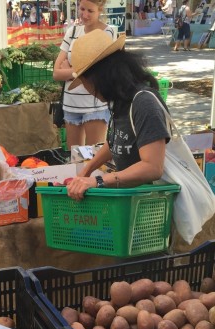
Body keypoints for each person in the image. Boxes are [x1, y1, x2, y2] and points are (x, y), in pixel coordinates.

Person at [64, 30, 169, 201]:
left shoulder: (143, 103)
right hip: (131, 201)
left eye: (84, 83)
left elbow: (153, 167)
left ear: (98, 77)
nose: (88, 91)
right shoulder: (121, 100)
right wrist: (87, 169)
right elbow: (116, 141)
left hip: (151, 204)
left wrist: (97, 181)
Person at [53, 0, 117, 149]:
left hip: (95, 106)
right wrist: (83, 71)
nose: (85, 15)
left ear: (100, 10)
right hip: (71, 105)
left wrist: (69, 70)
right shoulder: (73, 32)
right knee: (75, 161)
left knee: (94, 160)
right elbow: (56, 73)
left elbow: (103, 73)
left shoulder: (108, 33)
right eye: (82, 9)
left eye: (90, 11)